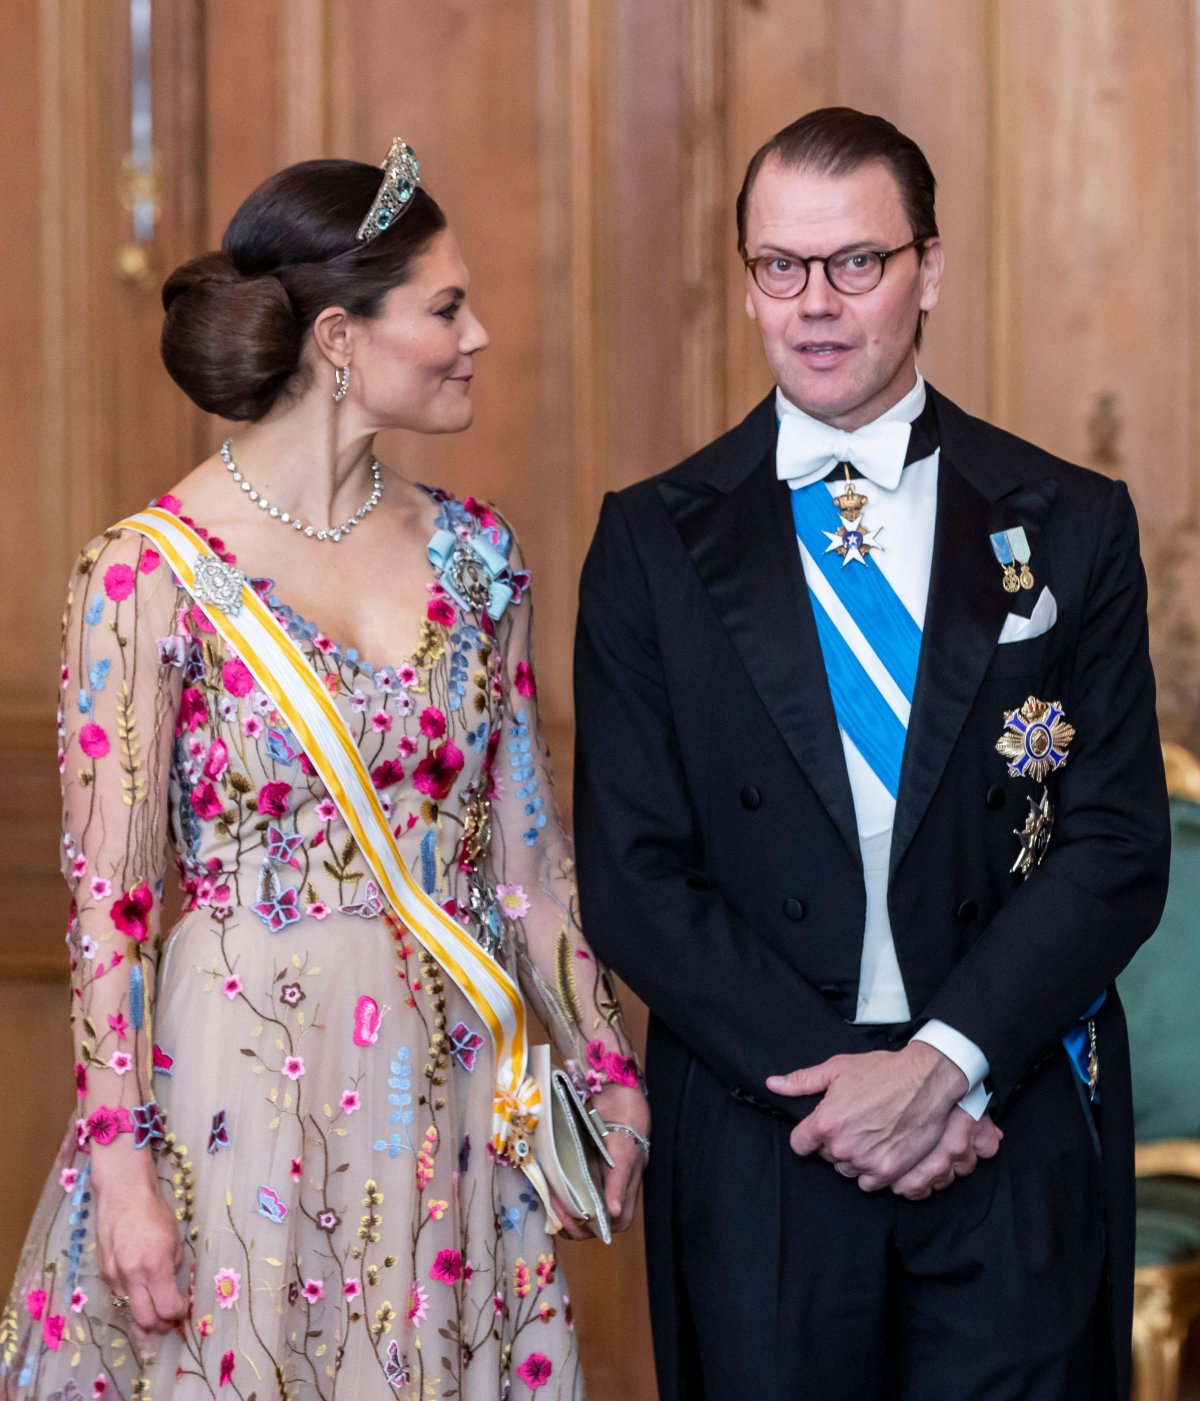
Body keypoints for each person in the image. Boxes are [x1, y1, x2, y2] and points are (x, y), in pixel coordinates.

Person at [1, 139, 648, 1400]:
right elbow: (110, 911)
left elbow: (528, 856)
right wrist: (123, 1167)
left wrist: (609, 1072)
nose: (479, 336)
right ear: (342, 338)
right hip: (239, 1096)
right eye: (448, 307)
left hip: (457, 1087)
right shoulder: (146, 577)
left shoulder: (476, 553)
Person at [573, 107, 1169, 1400]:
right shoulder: (651, 545)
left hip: (1003, 1115)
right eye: (780, 266)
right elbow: (634, 876)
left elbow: (1117, 845)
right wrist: (848, 1092)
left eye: (858, 262)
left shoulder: (1070, 523)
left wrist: (940, 1065)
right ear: (747, 283)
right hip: (766, 1130)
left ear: (929, 269)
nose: (816, 304)